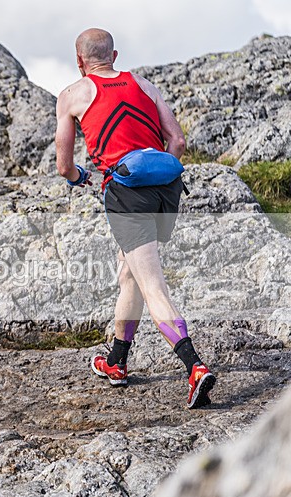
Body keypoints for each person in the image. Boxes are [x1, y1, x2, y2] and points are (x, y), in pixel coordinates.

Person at [54, 28, 216, 408]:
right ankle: (116, 361)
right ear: (115, 55)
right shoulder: (143, 84)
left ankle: (194, 367)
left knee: (152, 283)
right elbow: (177, 142)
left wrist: (81, 177)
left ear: (79, 61)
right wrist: (158, 173)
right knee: (130, 273)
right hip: (167, 188)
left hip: (127, 193)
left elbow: (64, 166)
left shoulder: (72, 95)